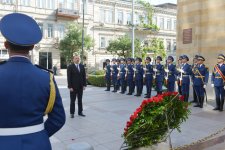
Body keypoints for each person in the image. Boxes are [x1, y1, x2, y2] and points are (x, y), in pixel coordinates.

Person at [0, 13, 65, 150]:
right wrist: (39, 134)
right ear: (32, 47)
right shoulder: (46, 78)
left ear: (6, 45)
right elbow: (58, 118)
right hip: (38, 144)